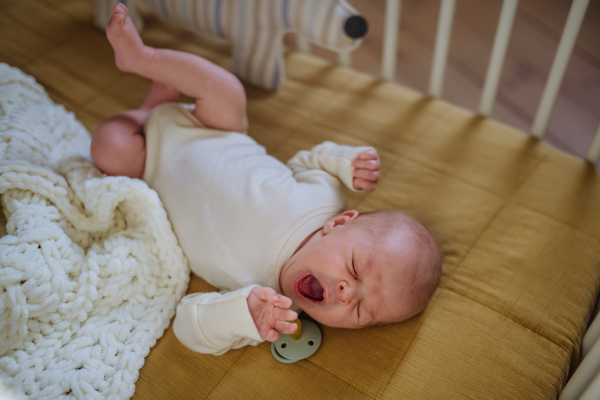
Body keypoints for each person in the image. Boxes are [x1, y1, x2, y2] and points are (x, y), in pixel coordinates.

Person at [91, 4, 442, 355]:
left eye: (361, 310)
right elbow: (310, 159)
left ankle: (147, 110)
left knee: (108, 149)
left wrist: (240, 317)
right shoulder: (325, 200)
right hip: (213, 128)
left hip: (147, 166)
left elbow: (188, 323)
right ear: (340, 223)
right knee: (227, 90)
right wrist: (348, 162)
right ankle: (142, 57)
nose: (346, 293)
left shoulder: (270, 307)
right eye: (354, 268)